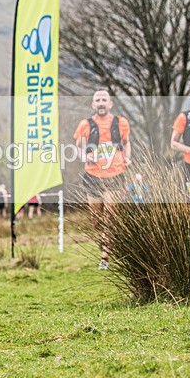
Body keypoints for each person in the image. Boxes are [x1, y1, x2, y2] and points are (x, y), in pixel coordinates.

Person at [73, 90, 131, 270]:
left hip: (115, 174)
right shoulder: (85, 124)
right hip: (93, 175)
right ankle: (104, 238)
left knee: (111, 218)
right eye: (97, 100)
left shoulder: (121, 123)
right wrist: (85, 157)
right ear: (93, 105)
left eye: (104, 100)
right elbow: (78, 147)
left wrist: (127, 158)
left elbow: (126, 143)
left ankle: (105, 257)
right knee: (96, 219)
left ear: (110, 103)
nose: (101, 103)